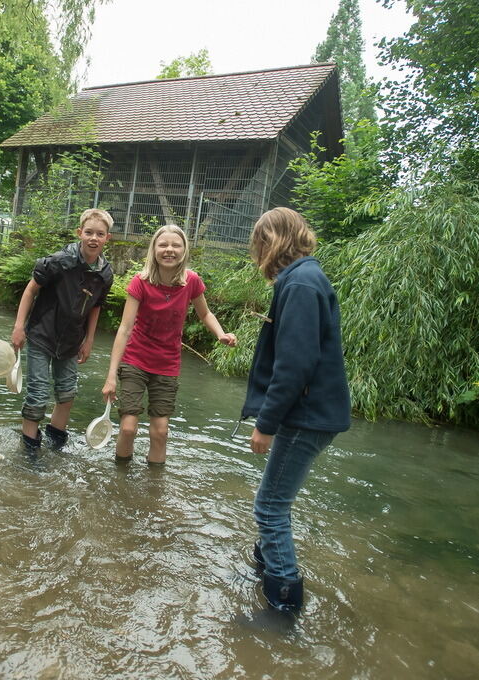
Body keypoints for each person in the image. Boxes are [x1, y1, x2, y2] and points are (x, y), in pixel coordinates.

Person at [240, 207, 350, 616]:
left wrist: (265, 425)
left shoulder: (301, 283)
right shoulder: (303, 277)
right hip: (313, 413)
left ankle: (283, 605)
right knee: (274, 503)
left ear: (273, 241)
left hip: (306, 416)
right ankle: (266, 568)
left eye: (260, 244)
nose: (258, 253)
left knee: (269, 507)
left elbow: (295, 363)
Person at [101, 224, 237, 465]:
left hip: (167, 364)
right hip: (135, 360)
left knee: (160, 432)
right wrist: (111, 376)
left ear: (184, 250)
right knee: (129, 428)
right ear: (154, 249)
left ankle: (154, 489)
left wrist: (220, 334)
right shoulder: (140, 282)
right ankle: (119, 481)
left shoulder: (191, 281)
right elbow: (124, 329)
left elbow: (205, 314)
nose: (169, 250)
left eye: (176, 245)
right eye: (163, 245)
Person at [11, 208, 114, 452]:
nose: (93, 238)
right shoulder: (58, 262)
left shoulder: (105, 273)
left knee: (67, 393)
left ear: (107, 238)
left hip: (71, 341)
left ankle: (56, 442)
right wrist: (19, 327)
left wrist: (89, 340)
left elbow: (96, 306)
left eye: (100, 234)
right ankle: (30, 448)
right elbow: (30, 290)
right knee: (37, 393)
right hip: (41, 335)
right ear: (80, 233)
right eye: (88, 232)